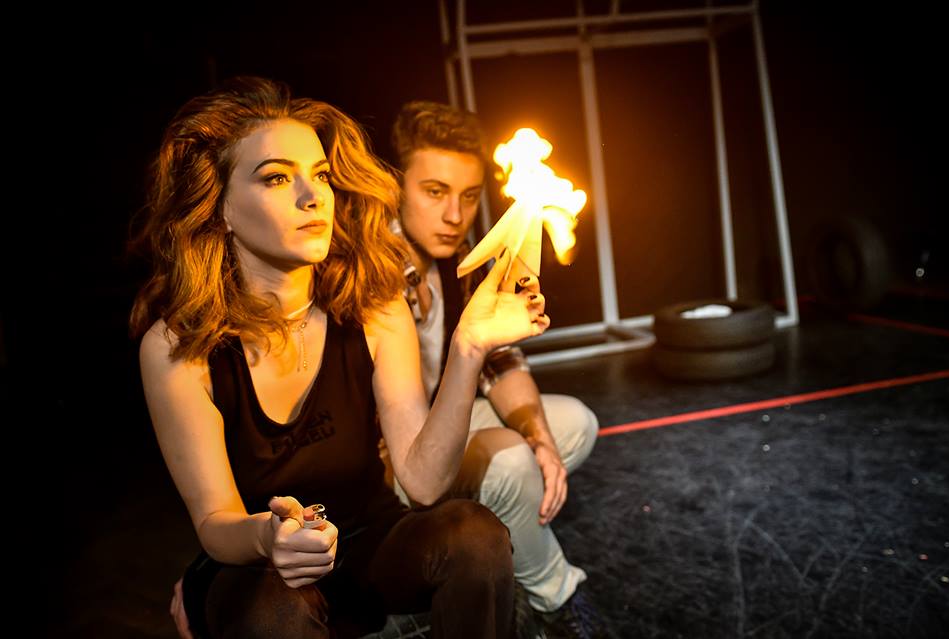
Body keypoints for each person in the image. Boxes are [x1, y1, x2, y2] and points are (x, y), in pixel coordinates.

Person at [131, 76, 550, 639]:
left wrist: (468, 348)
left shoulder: (374, 307)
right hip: (257, 569)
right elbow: (215, 522)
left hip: (366, 542)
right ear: (221, 206)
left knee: (474, 535)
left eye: (321, 175)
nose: (313, 196)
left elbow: (424, 483)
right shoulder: (177, 349)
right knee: (275, 608)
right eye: (277, 177)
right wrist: (269, 537)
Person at [387, 101, 604, 638]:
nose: (454, 215)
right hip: (390, 457)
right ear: (396, 187)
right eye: (434, 192)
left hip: (442, 423)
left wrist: (540, 439)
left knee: (571, 425)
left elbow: (502, 364)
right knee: (510, 462)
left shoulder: (463, 258)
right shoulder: (373, 269)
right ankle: (555, 599)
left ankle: (499, 544)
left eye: (468, 196)